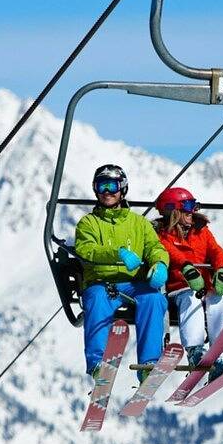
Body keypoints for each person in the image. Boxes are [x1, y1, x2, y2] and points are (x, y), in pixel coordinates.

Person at [75, 164, 169, 384]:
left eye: (112, 186)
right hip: (102, 283)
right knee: (97, 300)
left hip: (133, 283)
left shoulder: (138, 223)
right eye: (101, 186)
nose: (107, 191)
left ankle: (148, 364)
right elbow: (86, 249)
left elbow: (155, 247)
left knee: (154, 299)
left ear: (122, 188)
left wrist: (159, 264)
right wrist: (117, 254)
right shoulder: (89, 223)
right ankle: (98, 363)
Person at [153, 186, 223, 380]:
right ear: (173, 210)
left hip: (205, 287)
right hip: (178, 290)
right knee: (191, 298)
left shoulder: (201, 231)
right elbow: (172, 254)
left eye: (193, 205)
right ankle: (195, 351)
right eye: (188, 206)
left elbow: (216, 251)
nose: (193, 211)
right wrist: (186, 268)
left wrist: (222, 269)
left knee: (220, 300)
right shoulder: (162, 235)